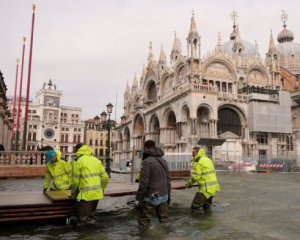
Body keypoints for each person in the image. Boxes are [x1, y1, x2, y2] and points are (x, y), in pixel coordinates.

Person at [135, 140, 171, 228]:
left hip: (151, 196)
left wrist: (138, 198)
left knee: (144, 221)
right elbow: (168, 179)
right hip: (164, 195)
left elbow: (144, 182)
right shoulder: (163, 161)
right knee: (164, 220)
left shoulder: (146, 162)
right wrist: (168, 195)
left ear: (146, 148)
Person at [70, 144, 109, 224]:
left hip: (85, 195)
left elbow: (75, 181)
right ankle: (97, 233)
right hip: (97, 194)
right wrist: (101, 189)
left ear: (78, 150)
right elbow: (105, 177)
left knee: (83, 220)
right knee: (91, 216)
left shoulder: (78, 161)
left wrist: (73, 193)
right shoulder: (97, 160)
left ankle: (90, 234)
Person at [186, 146, 220, 211]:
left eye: (193, 152)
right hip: (213, 188)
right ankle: (207, 220)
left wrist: (189, 183)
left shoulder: (198, 162)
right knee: (206, 207)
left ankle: (198, 220)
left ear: (196, 153)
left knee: (195, 207)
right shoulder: (207, 159)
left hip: (205, 189)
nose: (192, 154)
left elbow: (196, 176)